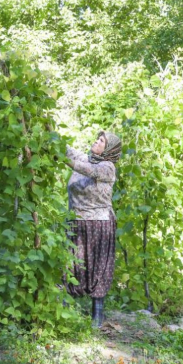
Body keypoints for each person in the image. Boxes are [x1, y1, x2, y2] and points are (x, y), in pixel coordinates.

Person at [63, 131, 122, 329]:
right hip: (76, 221)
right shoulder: (85, 158)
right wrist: (49, 130)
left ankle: (97, 317)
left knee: (98, 268)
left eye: (102, 141)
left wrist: (67, 161)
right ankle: (64, 315)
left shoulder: (108, 167)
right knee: (71, 266)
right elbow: (67, 149)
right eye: (97, 139)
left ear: (109, 149)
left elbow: (89, 170)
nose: (96, 142)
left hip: (99, 223)